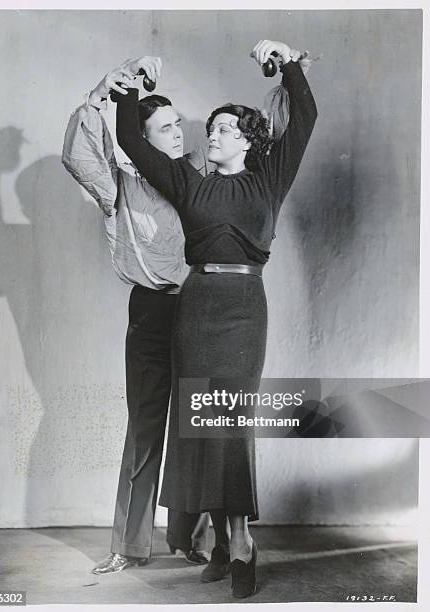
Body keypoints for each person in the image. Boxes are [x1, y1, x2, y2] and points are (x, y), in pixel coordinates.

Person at [114, 40, 317, 598]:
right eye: (213, 129)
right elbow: (131, 137)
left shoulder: (269, 179)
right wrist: (134, 83)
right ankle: (226, 542)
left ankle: (240, 537)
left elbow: (306, 117)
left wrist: (287, 63)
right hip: (196, 309)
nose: (213, 134)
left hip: (244, 311)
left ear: (250, 140)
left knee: (230, 423)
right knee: (202, 423)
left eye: (226, 129)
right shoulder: (188, 181)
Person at [62, 56, 212, 574]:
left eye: (178, 125)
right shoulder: (121, 186)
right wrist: (105, 89)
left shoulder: (200, 172)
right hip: (150, 313)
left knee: (197, 427)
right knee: (145, 429)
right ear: (141, 139)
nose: (178, 133)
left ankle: (191, 539)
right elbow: (80, 154)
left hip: (200, 312)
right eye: (165, 128)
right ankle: (128, 545)